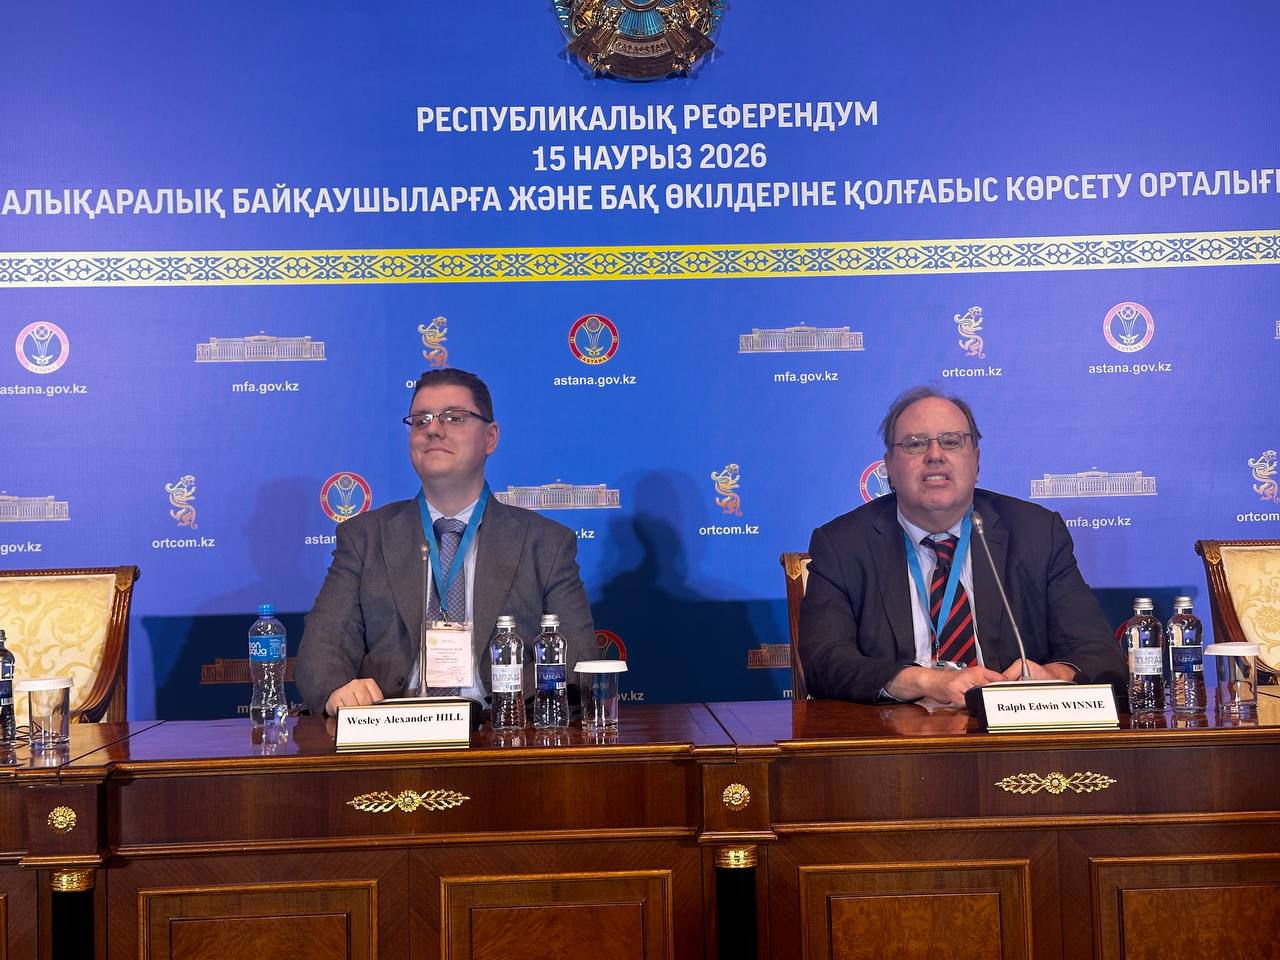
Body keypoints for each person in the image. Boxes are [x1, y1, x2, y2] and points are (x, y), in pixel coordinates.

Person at [799, 385, 1125, 705]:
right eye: (915, 444)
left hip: (1010, 729)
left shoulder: (1036, 533)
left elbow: (1098, 652)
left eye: (952, 441)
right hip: (894, 732)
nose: (935, 455)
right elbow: (824, 661)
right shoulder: (842, 544)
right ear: (890, 468)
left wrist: (1052, 676)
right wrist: (923, 681)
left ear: (976, 462)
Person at [297, 368, 597, 716]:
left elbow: (578, 657)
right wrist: (339, 691)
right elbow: (322, 649)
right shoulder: (364, 538)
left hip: (502, 729)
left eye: (454, 418)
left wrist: (508, 701)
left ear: (490, 438)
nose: (433, 429)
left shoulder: (545, 543)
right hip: (394, 727)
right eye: (421, 420)